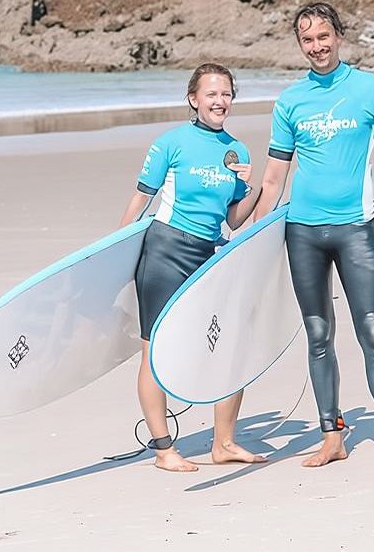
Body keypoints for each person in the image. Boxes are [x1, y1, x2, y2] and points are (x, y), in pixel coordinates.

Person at [251, 2, 374, 471]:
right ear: (300, 44)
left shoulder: (372, 89)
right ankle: (331, 435)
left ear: (339, 36)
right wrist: (249, 239)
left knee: (373, 332)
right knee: (317, 334)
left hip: (355, 230)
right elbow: (273, 180)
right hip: (303, 233)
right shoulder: (290, 101)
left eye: (324, 37)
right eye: (307, 40)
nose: (317, 47)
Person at [118, 63, 265, 472]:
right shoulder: (170, 143)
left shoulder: (237, 152)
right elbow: (139, 201)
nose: (220, 101)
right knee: (154, 352)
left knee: (230, 343)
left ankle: (224, 443)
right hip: (164, 251)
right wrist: (110, 256)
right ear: (193, 99)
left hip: (208, 253)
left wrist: (250, 187)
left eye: (226, 94)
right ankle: (164, 449)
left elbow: (234, 220)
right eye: (211, 94)